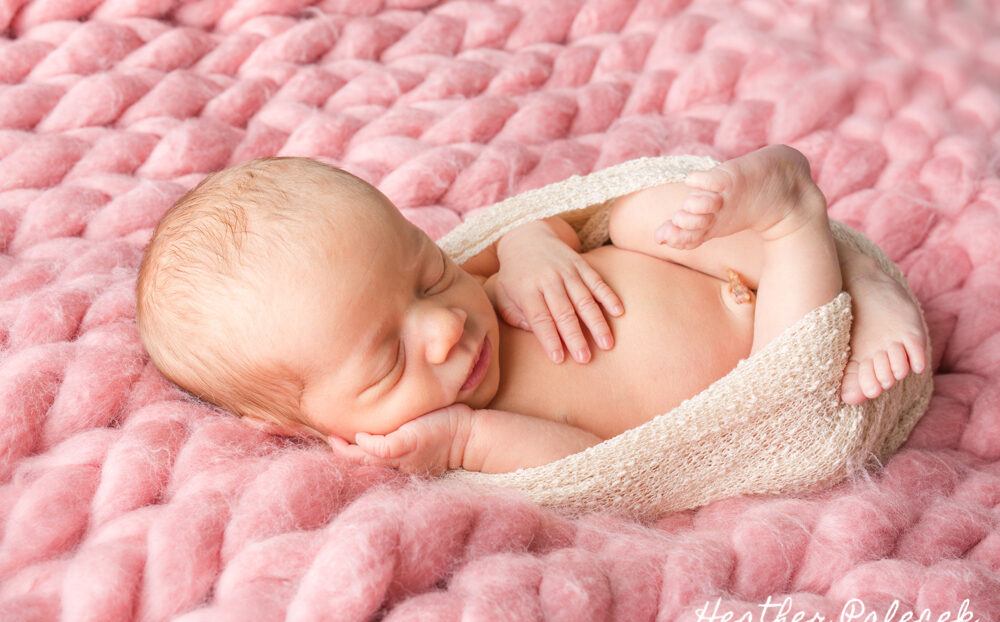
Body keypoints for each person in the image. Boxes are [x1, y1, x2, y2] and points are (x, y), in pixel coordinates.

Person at [136, 146, 928, 475]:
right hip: (770, 341)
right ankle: (807, 234)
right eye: (388, 359)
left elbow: (553, 219)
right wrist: (469, 439)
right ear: (296, 423)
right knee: (803, 397)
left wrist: (531, 248)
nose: (445, 326)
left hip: (710, 257)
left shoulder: (457, 298)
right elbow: (592, 467)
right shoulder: (457, 439)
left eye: (427, 271)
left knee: (623, 217)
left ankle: (848, 266)